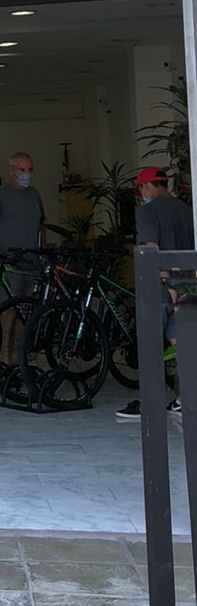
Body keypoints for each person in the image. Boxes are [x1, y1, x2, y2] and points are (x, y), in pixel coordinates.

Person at [115, 166, 194, 422]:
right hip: (187, 288)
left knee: (150, 347)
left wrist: (168, 284)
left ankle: (150, 404)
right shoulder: (186, 210)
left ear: (147, 186)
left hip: (159, 291)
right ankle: (184, 400)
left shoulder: (147, 212)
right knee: (182, 347)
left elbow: (151, 250)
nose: (142, 195)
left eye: (142, 189)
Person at [0, 151, 45, 365]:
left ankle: (20, 359)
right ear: (11, 170)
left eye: (30, 170)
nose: (27, 174)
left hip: (32, 265)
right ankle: (6, 360)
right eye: (22, 170)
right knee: (9, 312)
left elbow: (41, 226)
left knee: (27, 313)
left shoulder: (34, 194)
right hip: (9, 266)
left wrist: (42, 252)